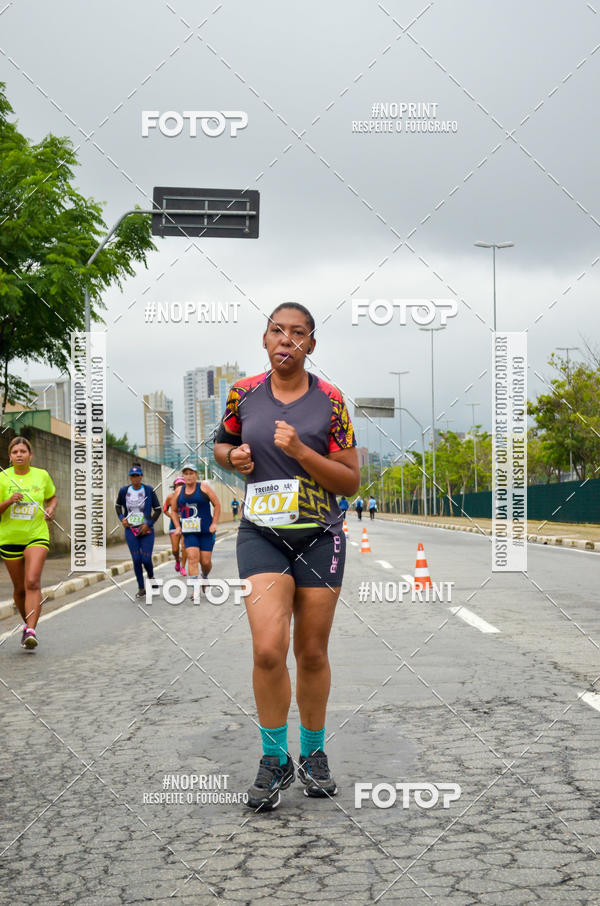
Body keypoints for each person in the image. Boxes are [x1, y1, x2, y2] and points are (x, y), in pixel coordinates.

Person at [214, 302, 359, 811]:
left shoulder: (331, 401)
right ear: (264, 338)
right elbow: (221, 446)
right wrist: (233, 458)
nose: (287, 340)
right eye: (278, 331)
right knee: (268, 649)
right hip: (261, 535)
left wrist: (301, 452)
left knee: (312, 652)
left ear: (311, 345)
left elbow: (349, 479)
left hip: (319, 534)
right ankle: (274, 760)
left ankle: (313, 754)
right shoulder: (242, 393)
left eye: (298, 333)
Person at [0, 436, 58, 650]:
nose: (19, 455)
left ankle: (32, 630)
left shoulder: (41, 475)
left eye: (23, 451)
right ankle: (27, 627)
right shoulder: (3, 478)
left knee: (32, 581)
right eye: (15, 452)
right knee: (19, 589)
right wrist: (8, 501)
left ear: (30, 454)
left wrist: (51, 509)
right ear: (10, 457)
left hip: (37, 535)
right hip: (9, 538)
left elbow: (52, 497)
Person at [170, 464, 221, 600]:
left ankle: (204, 576)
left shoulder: (203, 487)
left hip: (206, 530)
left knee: (205, 562)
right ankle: (195, 589)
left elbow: (217, 504)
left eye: (191, 473)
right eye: (186, 474)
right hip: (189, 531)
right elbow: (173, 510)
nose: (189, 476)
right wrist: (177, 526)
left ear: (196, 475)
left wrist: (214, 523)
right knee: (192, 558)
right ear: (183, 476)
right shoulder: (179, 491)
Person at [115, 464, 161, 598]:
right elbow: (117, 506)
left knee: (146, 559)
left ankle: (151, 577)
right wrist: (122, 518)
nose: (135, 478)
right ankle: (141, 588)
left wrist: (149, 523)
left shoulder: (148, 490)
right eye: (133, 476)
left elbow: (158, 509)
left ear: (141, 476)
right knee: (136, 559)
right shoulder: (124, 491)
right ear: (130, 477)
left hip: (146, 530)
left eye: (138, 476)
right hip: (131, 530)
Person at [163, 477, 187, 576]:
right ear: (175, 486)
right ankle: (177, 560)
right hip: (174, 525)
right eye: (178, 485)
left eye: (182, 484)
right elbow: (164, 510)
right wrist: (173, 516)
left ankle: (183, 567)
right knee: (175, 549)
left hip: (186, 525)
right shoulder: (170, 497)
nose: (180, 486)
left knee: (184, 547)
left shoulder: (189, 496)